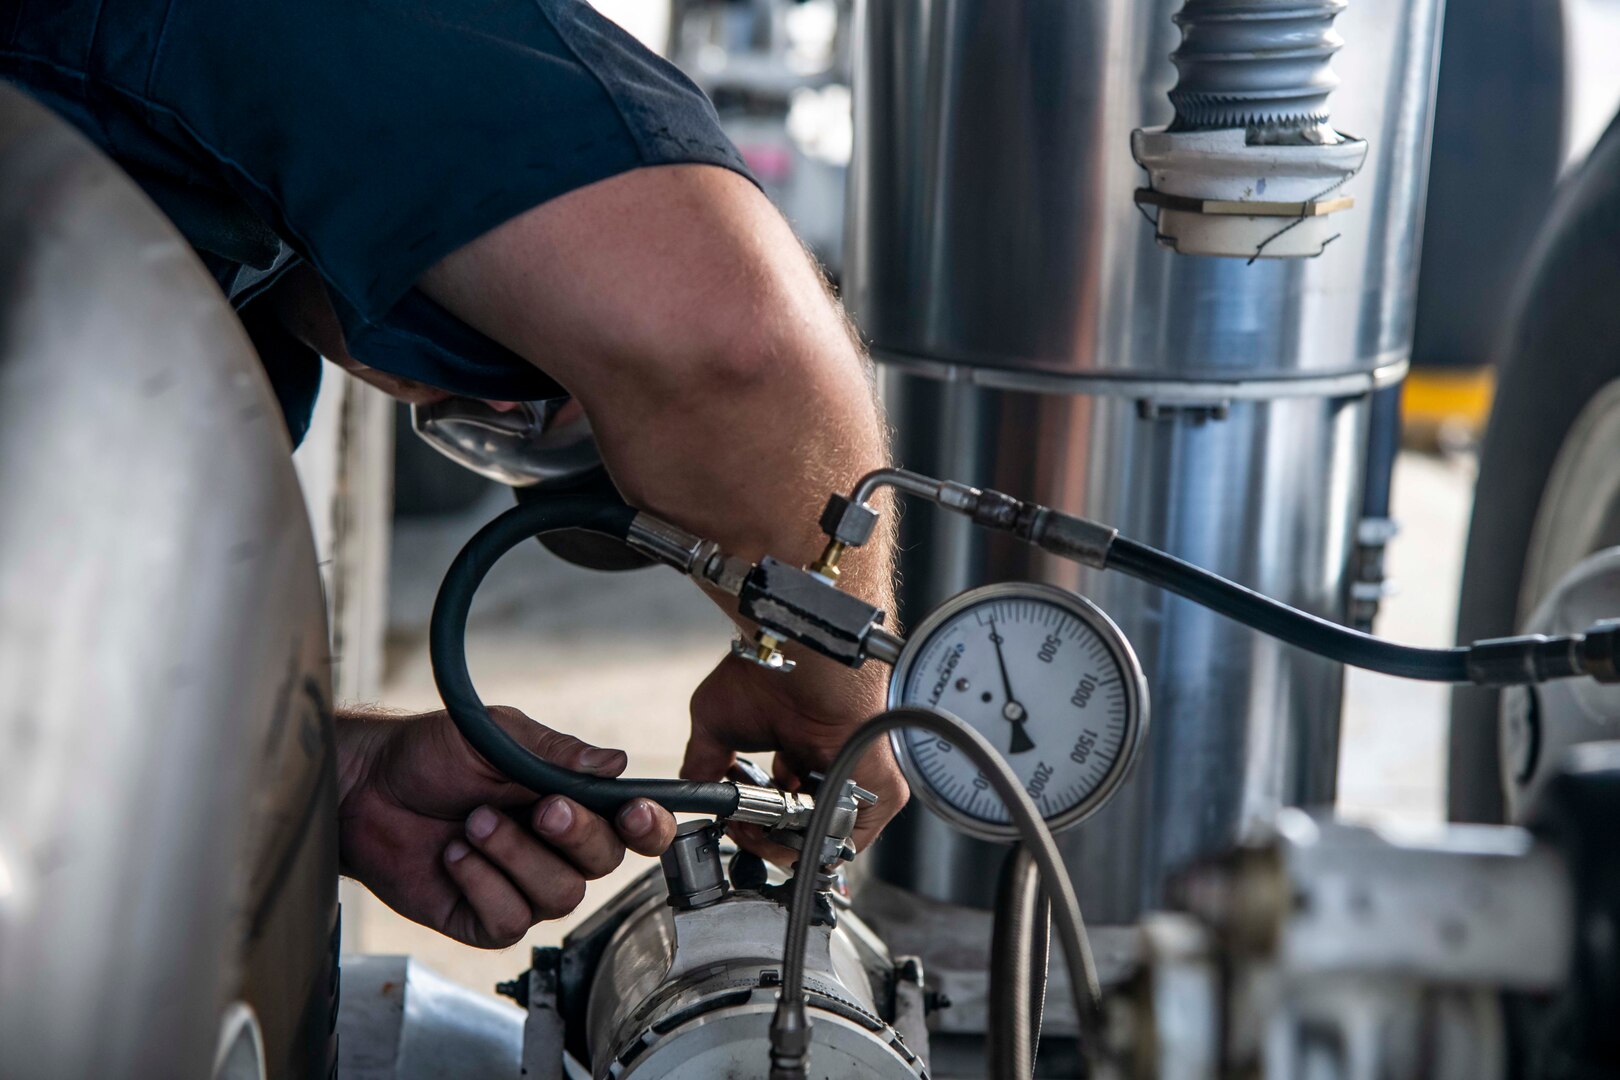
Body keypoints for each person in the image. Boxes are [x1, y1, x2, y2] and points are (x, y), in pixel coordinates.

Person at [0, 0, 905, 949]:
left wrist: (329, 778)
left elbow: (53, 720)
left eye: (489, 432)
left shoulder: (223, 324)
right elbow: (735, 349)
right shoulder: (290, 37)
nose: (425, 391)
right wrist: (828, 686)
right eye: (528, 392)